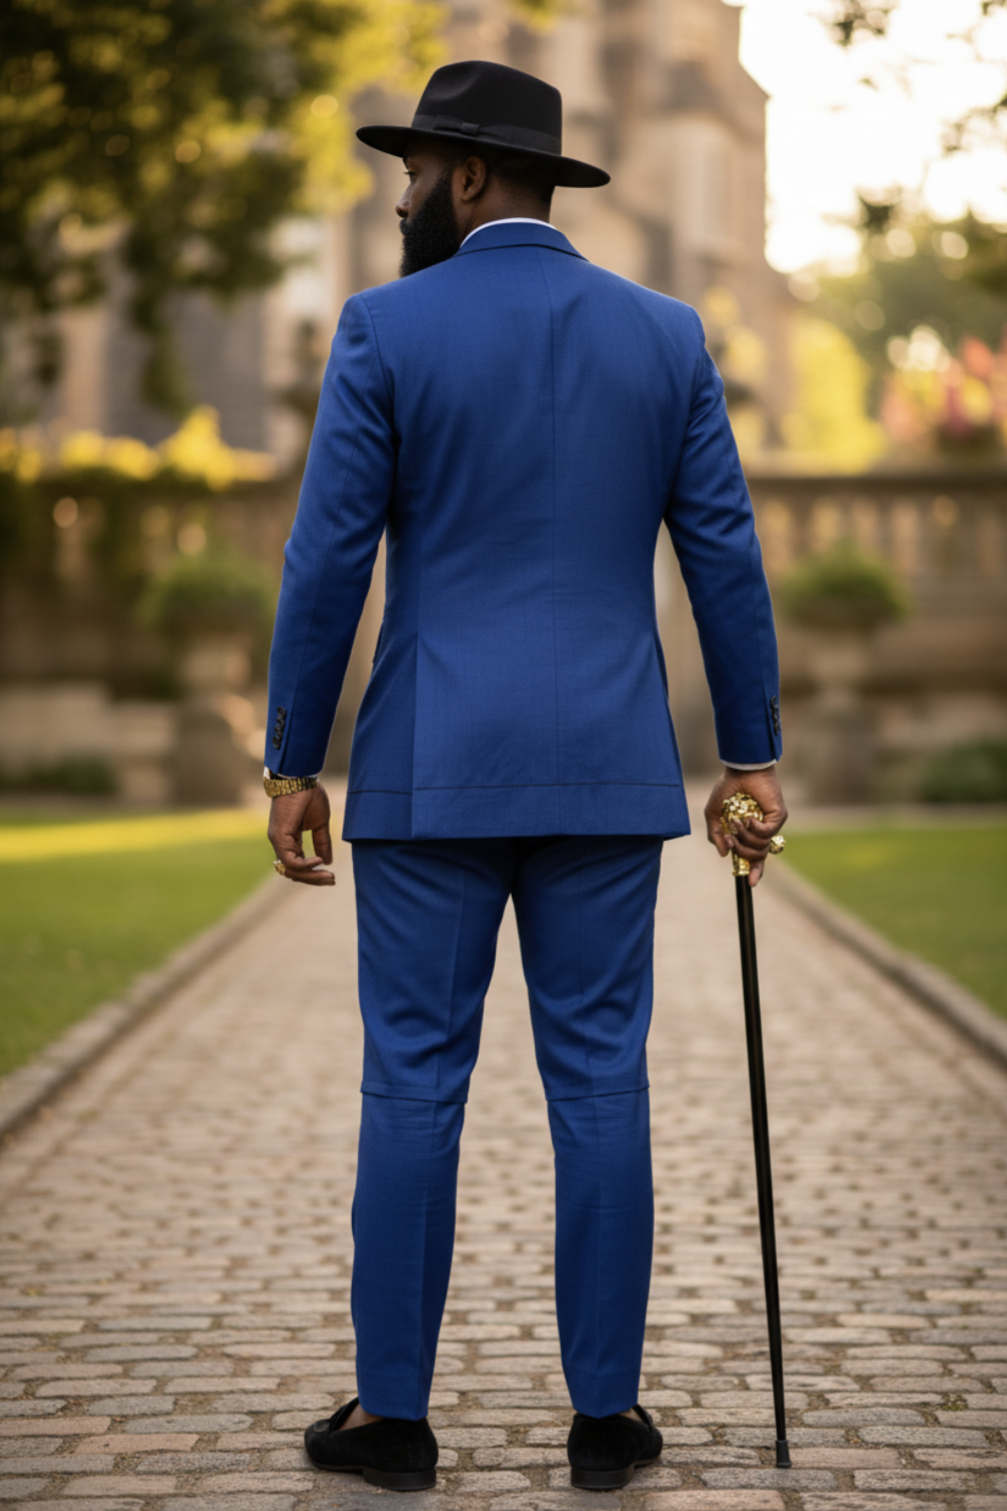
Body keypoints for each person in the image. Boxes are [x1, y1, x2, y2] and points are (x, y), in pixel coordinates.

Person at [264, 59, 787, 1493]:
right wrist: (748, 749)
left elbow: (326, 562)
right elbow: (724, 554)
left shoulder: (384, 329)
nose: (402, 193)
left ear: (474, 177)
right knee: (601, 1083)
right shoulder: (666, 336)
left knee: (413, 1086)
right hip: (608, 772)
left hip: (431, 770)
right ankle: (607, 1418)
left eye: (418, 168)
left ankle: (393, 1418)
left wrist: (293, 758)